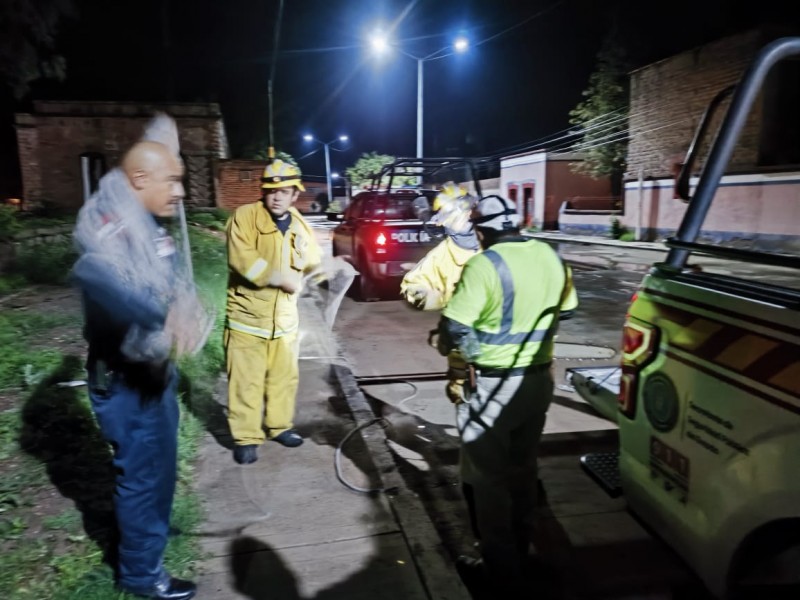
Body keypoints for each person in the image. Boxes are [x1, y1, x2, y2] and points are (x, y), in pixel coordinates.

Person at [72, 114, 207, 600]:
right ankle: (141, 573)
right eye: (172, 179)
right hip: (125, 380)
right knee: (143, 475)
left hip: (153, 373)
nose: (180, 191)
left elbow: (167, 277)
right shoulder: (108, 221)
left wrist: (183, 306)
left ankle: (151, 531)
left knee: (159, 467)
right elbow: (97, 276)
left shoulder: (148, 222)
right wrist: (161, 315)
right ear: (140, 177)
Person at [436, 195, 578, 596]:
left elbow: (454, 330)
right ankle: (522, 549)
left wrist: (470, 355)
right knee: (523, 469)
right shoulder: (550, 255)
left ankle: (500, 573)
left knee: (488, 481)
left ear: (482, 231)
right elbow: (568, 310)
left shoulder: (484, 265)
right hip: (538, 381)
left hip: (493, 387)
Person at [224, 158, 322, 465]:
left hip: (285, 322)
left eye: (284, 191)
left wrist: (327, 269)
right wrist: (278, 277)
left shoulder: (300, 225)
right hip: (247, 320)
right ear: (263, 192)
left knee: (284, 379)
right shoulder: (245, 217)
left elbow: (312, 260)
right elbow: (242, 259)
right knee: (246, 382)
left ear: (295, 194)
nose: (277, 197)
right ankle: (246, 437)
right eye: (271, 191)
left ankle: (280, 427)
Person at [400, 181, 480, 404]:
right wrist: (433, 296)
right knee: (461, 390)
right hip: (464, 337)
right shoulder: (442, 254)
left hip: (493, 339)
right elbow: (413, 288)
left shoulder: (491, 243)